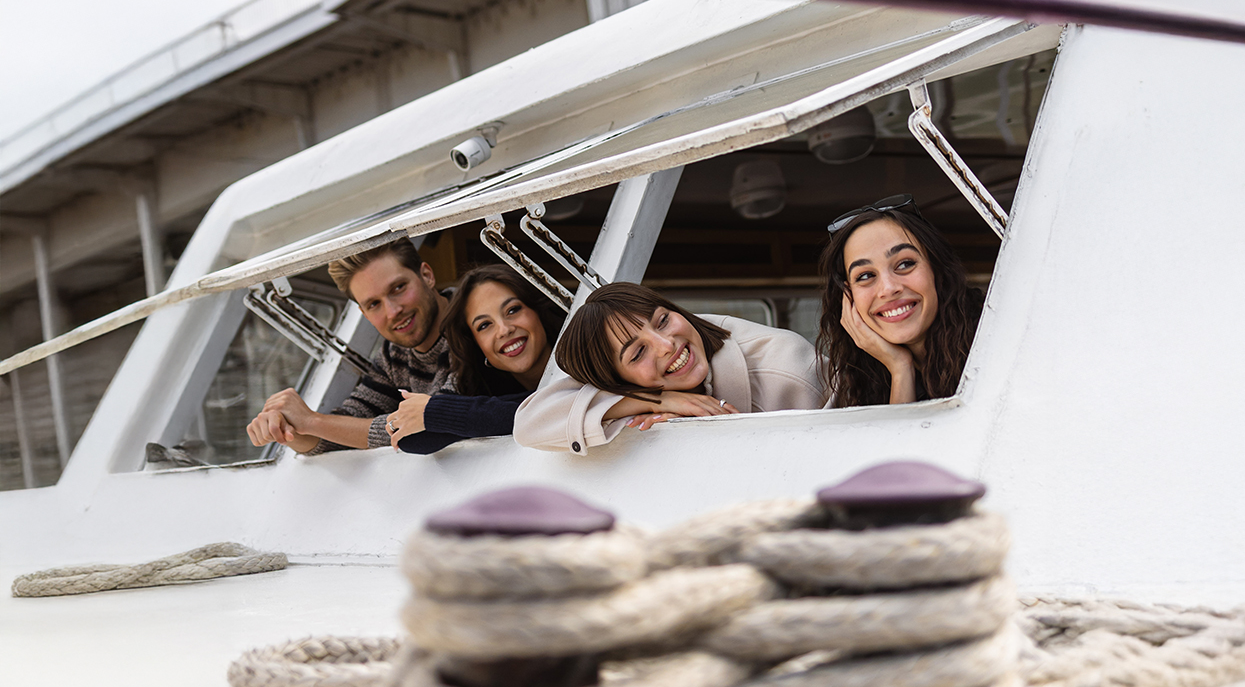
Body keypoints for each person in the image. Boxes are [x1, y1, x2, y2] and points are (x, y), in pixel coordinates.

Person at [514, 282, 826, 454]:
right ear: (617, 381)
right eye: (637, 353)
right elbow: (529, 424)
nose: (666, 344)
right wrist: (660, 401)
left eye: (663, 320)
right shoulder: (641, 395)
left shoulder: (787, 365)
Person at [245, 238, 454, 454]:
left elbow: (437, 423)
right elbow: (350, 423)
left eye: (398, 288)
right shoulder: (394, 355)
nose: (392, 311)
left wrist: (313, 421)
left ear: (427, 276)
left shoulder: (478, 328)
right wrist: (286, 429)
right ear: (364, 313)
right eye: (374, 304)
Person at [817, 194, 983, 408]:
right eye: (865, 276)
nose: (888, 288)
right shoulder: (865, 380)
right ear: (848, 299)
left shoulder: (994, 343)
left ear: (937, 269)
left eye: (904, 264)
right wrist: (900, 368)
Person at [386, 264, 564, 454]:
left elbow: (561, 405)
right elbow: (409, 438)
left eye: (512, 310)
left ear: (537, 310)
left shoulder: (585, 353)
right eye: (484, 325)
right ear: (476, 345)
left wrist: (449, 413)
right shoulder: (480, 387)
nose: (504, 330)